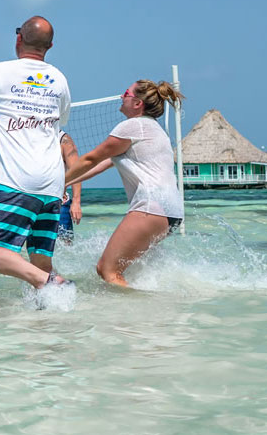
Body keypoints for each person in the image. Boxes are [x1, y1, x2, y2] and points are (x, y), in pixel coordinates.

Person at [0, 16, 73, 289]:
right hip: (52, 185)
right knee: (40, 260)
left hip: (16, 179)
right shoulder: (59, 78)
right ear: (49, 46)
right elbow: (59, 121)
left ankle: (53, 283)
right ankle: (48, 322)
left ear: (18, 39)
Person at [65, 80, 186, 287]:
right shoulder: (152, 129)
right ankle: (157, 312)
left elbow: (89, 159)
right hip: (171, 212)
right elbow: (98, 167)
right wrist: (61, 186)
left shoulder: (133, 126)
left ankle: (135, 315)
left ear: (137, 103)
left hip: (151, 207)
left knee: (107, 270)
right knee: (131, 272)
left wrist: (52, 183)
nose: (121, 97)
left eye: (125, 93)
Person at [57, 131, 83, 242]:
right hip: (30, 202)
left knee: (65, 248)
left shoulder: (64, 139)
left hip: (59, 203)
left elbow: (77, 172)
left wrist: (76, 202)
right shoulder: (26, 134)